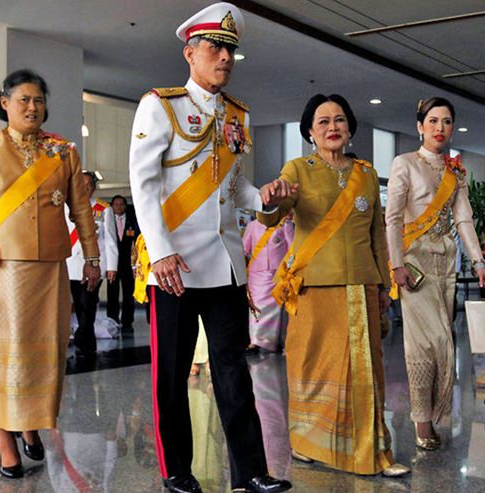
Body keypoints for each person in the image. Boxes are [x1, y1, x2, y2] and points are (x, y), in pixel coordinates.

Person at [128, 4, 294, 493]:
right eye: (215, 48)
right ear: (190, 53)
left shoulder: (238, 114)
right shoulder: (161, 105)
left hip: (225, 268)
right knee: (172, 376)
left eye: (230, 49)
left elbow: (234, 188)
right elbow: (143, 183)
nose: (224, 57)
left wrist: (262, 197)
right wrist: (158, 252)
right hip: (174, 266)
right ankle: (177, 471)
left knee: (233, 371)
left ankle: (253, 471)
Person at [0, 69, 100, 478]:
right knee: (5, 358)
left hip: (51, 270)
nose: (33, 107)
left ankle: (32, 425)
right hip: (1, 270)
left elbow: (81, 210)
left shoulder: (62, 151)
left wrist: (94, 259)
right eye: (24, 99)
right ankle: (5, 441)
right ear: (5, 102)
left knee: (44, 356)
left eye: (40, 100)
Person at [258, 93, 410, 478]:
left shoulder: (366, 173)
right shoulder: (297, 169)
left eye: (339, 120)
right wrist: (272, 201)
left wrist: (382, 287)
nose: (332, 128)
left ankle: (369, 452)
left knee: (365, 371)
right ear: (310, 131)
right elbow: (273, 216)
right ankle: (308, 443)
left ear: (350, 127)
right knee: (312, 369)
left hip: (360, 284)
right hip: (313, 288)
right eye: (323, 122)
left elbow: (377, 234)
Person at [385, 97, 485, 450]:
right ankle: (421, 419)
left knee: (443, 341)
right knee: (425, 344)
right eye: (432, 121)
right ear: (419, 126)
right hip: (414, 264)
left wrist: (478, 261)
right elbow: (394, 218)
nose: (439, 128)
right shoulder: (405, 164)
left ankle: (435, 412)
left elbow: (463, 219)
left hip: (446, 264)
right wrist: (396, 264)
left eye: (446, 122)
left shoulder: (455, 172)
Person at [65, 171, 118, 357]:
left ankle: (82, 338)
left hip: (95, 264)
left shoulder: (103, 209)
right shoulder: (66, 207)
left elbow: (111, 240)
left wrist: (112, 266)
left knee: (88, 303)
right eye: (82, 184)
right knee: (78, 305)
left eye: (89, 185)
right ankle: (87, 342)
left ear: (94, 188)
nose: (85, 188)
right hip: (71, 265)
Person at [242, 214, 294, 353]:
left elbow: (292, 248)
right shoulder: (252, 226)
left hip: (277, 275)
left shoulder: (285, 225)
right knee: (256, 308)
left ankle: (277, 341)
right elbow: (244, 249)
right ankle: (255, 341)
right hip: (256, 274)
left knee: (277, 310)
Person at [106, 194, 140, 333]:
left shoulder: (132, 219)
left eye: (121, 204)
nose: (119, 207)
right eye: (116, 204)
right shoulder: (108, 220)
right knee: (112, 292)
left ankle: (127, 320)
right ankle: (112, 319)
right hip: (112, 263)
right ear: (112, 206)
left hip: (127, 263)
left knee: (128, 293)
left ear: (125, 206)